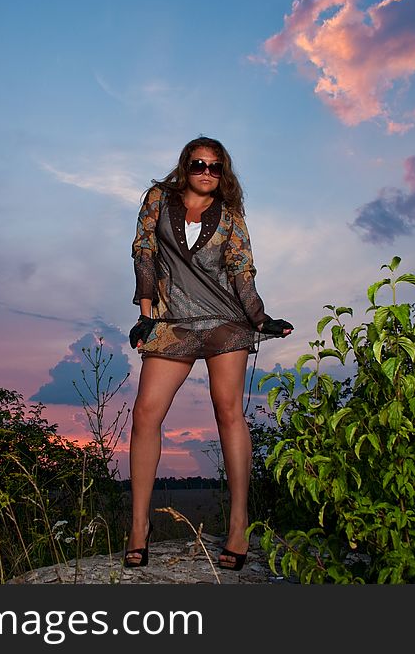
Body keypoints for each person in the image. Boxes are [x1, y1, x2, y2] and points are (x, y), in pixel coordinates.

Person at [125, 135, 293, 571]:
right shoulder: (158, 199)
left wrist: (259, 318)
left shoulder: (231, 214)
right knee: (145, 413)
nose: (206, 172)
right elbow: (144, 252)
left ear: (223, 173)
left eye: (215, 167)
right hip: (172, 320)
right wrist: (146, 315)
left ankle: (238, 526)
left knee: (228, 413)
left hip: (224, 320)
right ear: (185, 166)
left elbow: (240, 268)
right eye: (198, 164)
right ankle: (138, 528)